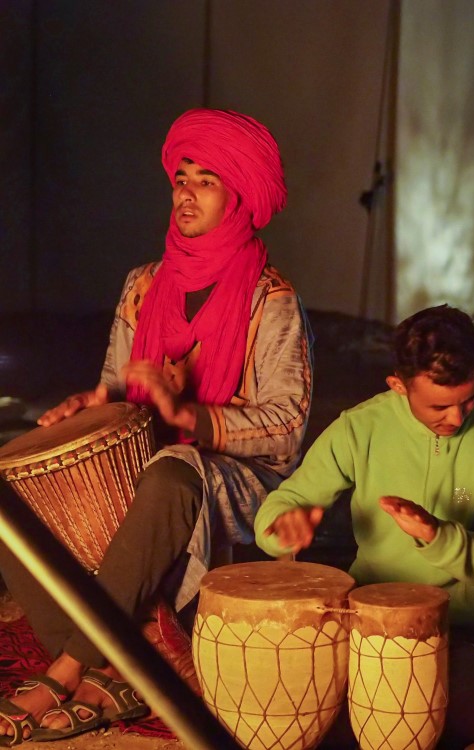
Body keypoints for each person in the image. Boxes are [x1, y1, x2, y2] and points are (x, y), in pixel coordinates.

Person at [0, 108, 312, 744]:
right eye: (181, 177)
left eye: (206, 180)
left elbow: (286, 427)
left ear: (240, 197)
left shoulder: (271, 299)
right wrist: (90, 404)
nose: (186, 193)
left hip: (235, 477)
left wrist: (187, 416)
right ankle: (121, 669)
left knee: (172, 470)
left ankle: (69, 663)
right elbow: (118, 387)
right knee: (11, 488)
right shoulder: (143, 285)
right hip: (145, 459)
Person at [255, 304, 474, 749]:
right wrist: (282, 526)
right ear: (398, 386)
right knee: (306, 713)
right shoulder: (360, 427)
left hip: (464, 629)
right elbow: (286, 502)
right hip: (372, 624)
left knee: (463, 720)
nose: (457, 418)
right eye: (439, 405)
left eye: (469, 399)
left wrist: (437, 535)